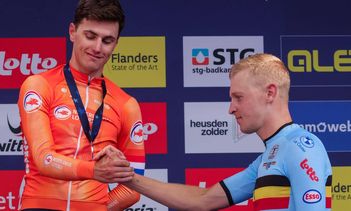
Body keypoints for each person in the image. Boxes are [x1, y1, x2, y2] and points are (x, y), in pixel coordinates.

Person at [103, 53, 332, 210]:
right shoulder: (270, 157)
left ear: (270, 93)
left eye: (238, 97)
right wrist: (129, 178)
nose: (231, 108)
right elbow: (203, 200)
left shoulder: (301, 147)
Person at [17, 0, 144, 210]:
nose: (97, 47)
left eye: (107, 40)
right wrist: (95, 171)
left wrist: (96, 207)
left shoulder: (127, 104)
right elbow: (44, 158)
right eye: (90, 36)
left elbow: (134, 186)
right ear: (72, 32)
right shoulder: (40, 85)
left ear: (116, 44)